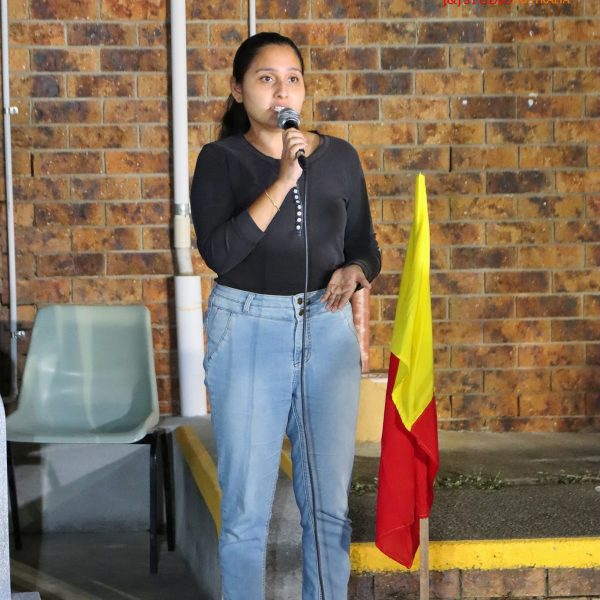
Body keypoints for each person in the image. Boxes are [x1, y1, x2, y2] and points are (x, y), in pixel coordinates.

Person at [190, 32, 381, 600]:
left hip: (326, 327)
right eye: (266, 79)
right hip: (249, 330)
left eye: (292, 79)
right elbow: (221, 253)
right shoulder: (221, 161)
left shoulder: (340, 157)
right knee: (246, 511)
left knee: (328, 508)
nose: (281, 91)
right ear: (238, 90)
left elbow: (365, 245)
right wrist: (282, 180)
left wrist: (356, 270)